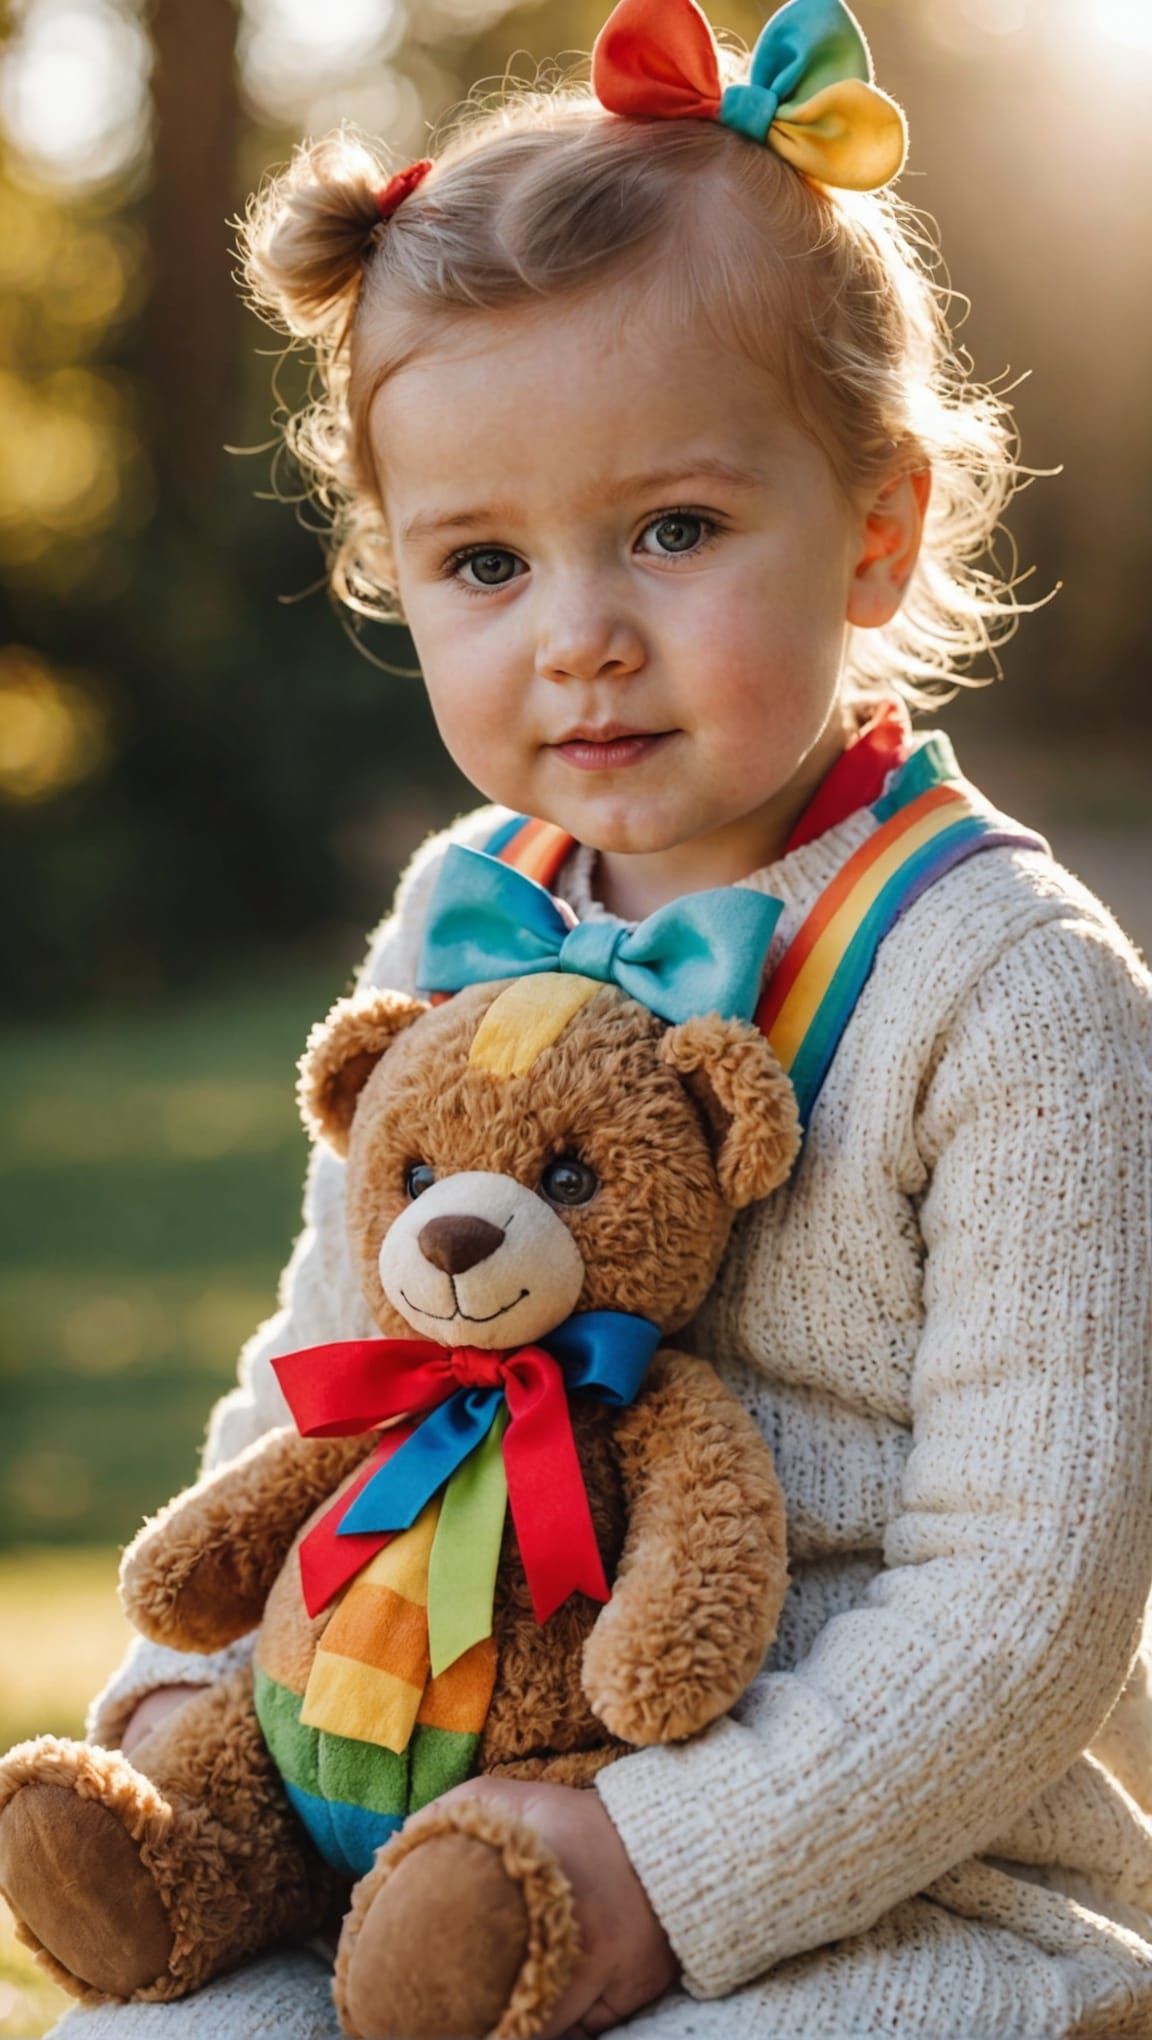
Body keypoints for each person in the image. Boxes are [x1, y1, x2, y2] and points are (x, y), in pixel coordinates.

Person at [53, 0, 1152, 2033]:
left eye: (674, 528)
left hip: (875, 1866)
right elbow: (326, 1363)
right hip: (415, 1781)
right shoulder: (464, 924)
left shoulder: (1010, 992)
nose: (580, 636)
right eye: (484, 560)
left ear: (879, 526)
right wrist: (205, 1703)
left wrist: (662, 1869)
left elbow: (1031, 1604)